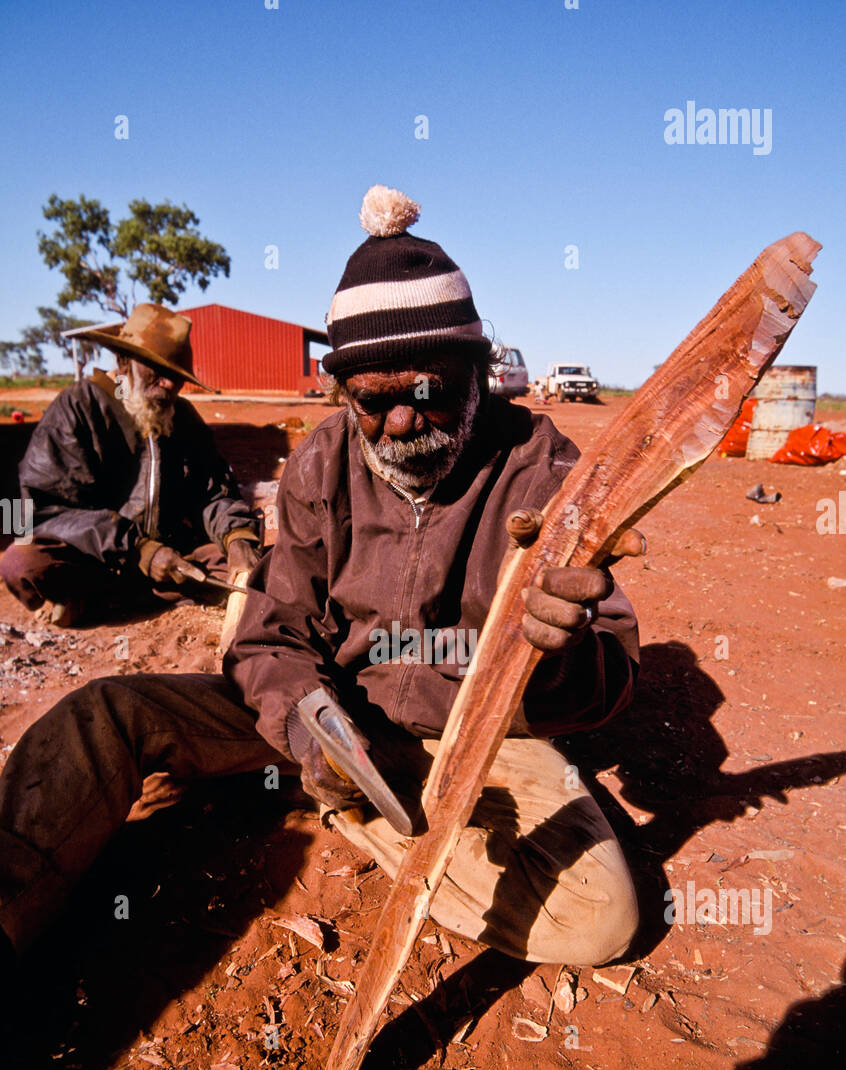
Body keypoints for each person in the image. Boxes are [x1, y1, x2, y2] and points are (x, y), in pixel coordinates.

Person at [0, 186, 642, 971]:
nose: (400, 424)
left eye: (426, 393)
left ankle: (368, 812)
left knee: (599, 917)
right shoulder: (323, 458)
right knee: (106, 714)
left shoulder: (545, 470)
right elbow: (272, 632)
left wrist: (555, 657)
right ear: (344, 392)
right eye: (372, 403)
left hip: (471, 737)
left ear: (475, 371)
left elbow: (605, 672)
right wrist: (310, 725)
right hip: (328, 714)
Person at [0, 304, 261, 627]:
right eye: (156, 370)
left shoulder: (184, 418)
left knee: (257, 565)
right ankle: (104, 595)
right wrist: (136, 549)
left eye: (176, 377)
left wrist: (236, 537)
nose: (168, 385)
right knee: (22, 562)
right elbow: (44, 509)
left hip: (175, 558)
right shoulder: (78, 408)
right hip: (96, 558)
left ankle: (104, 602)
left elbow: (213, 493)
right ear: (124, 362)